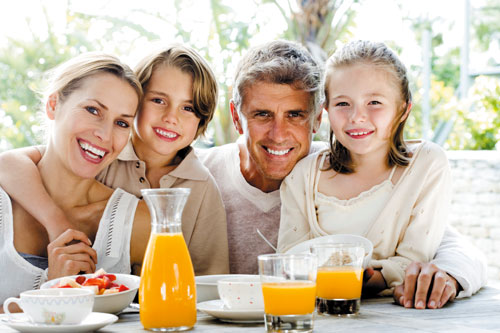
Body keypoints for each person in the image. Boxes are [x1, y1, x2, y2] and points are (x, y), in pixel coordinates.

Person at [197, 39, 486, 308]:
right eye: (262, 114)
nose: (278, 134)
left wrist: (448, 274)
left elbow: (452, 245)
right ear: (236, 117)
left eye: (295, 114)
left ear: (317, 119)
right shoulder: (200, 175)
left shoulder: (342, 164)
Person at [0, 44, 229, 276]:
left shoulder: (200, 188)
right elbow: (10, 163)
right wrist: (57, 222)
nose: (171, 118)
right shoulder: (94, 155)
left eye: (188, 108)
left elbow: (206, 281)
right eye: (159, 101)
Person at [277, 40, 451, 297]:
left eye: (374, 103)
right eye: (342, 104)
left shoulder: (427, 164)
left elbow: (416, 259)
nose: (357, 116)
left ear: (403, 109)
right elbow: (289, 260)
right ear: (325, 110)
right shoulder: (302, 176)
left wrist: (374, 279)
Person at [0, 52, 153, 304]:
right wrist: (52, 296)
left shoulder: (138, 222)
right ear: (53, 105)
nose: (104, 134)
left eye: (122, 123)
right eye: (93, 110)